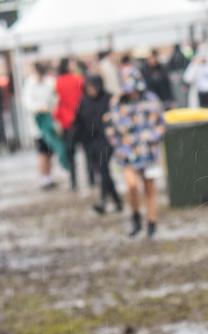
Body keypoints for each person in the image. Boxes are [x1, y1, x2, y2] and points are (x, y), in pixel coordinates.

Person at [104, 67, 165, 238]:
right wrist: (118, 144)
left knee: (149, 188)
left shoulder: (151, 100)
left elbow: (161, 122)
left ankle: (151, 222)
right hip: (127, 152)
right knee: (131, 186)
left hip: (148, 151)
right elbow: (110, 127)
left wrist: (153, 137)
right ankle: (136, 217)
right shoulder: (117, 103)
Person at [75, 75, 122, 215]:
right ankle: (117, 201)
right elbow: (79, 122)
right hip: (91, 143)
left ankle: (102, 201)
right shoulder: (84, 102)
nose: (91, 91)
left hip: (106, 141)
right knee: (103, 172)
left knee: (103, 170)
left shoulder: (108, 99)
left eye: (93, 87)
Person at [23, 62, 63, 189]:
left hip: (50, 122)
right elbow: (28, 103)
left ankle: (48, 176)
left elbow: (56, 98)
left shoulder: (49, 83)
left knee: (50, 151)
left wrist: (51, 109)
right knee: (42, 152)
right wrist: (41, 108)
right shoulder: (30, 85)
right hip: (38, 124)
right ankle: (43, 178)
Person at [54, 57, 84, 190]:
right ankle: (92, 178)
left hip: (66, 120)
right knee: (88, 150)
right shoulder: (78, 80)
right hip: (80, 119)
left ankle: (73, 182)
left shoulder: (58, 82)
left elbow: (56, 103)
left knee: (70, 152)